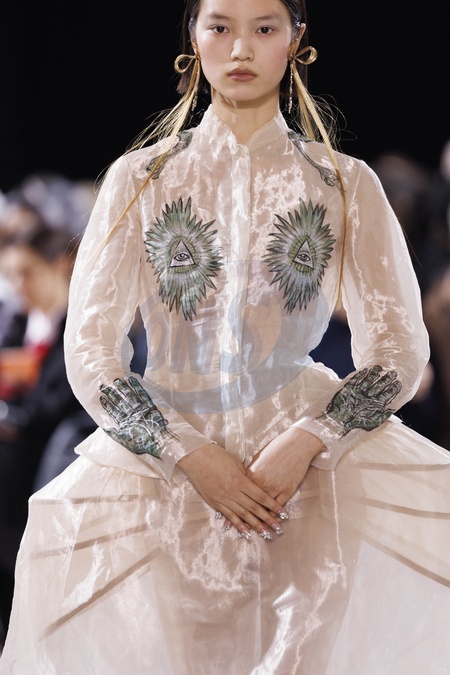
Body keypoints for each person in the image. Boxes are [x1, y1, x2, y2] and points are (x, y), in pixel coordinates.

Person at [2, 0, 450, 671]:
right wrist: (185, 452)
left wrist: (311, 439)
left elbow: (399, 349)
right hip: (166, 474)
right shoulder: (140, 179)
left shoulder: (344, 184)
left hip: (312, 478)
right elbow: (90, 350)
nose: (241, 48)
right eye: (220, 27)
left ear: (296, 40)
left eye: (264, 28)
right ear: (193, 36)